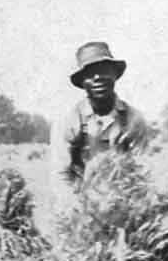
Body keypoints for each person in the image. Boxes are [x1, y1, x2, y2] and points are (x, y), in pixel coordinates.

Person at [50, 41, 151, 192]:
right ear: (82, 81)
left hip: (124, 200)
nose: (98, 77)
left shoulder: (134, 119)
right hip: (81, 202)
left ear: (115, 75)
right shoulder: (68, 121)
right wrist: (74, 209)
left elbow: (142, 170)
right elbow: (61, 176)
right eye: (90, 73)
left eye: (104, 70)